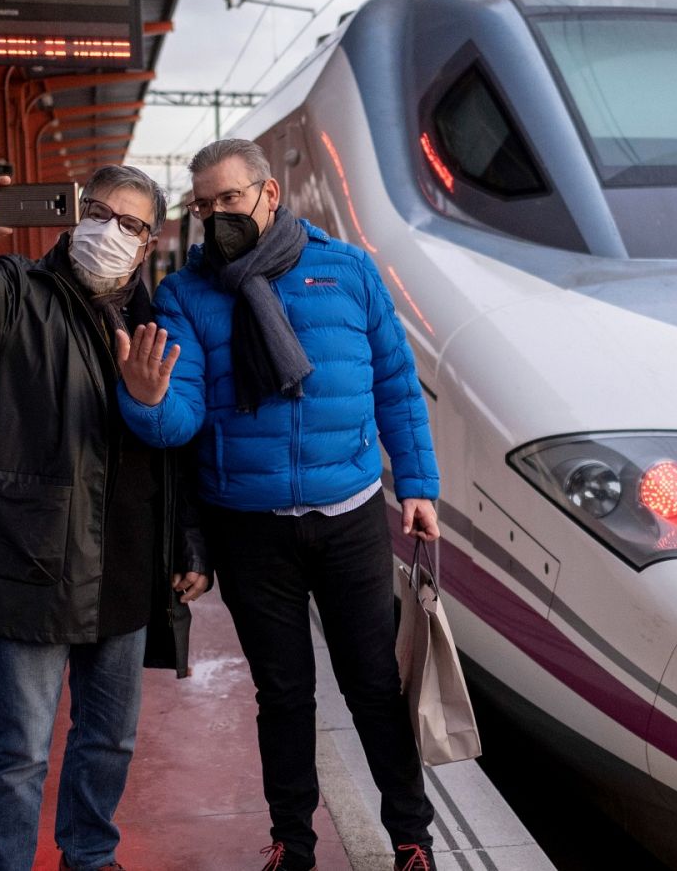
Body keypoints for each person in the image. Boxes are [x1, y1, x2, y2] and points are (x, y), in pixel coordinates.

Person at [116, 139, 442, 871]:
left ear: (268, 194)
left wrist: (417, 485)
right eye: (203, 205)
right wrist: (145, 400)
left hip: (351, 514)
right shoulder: (187, 295)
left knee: (372, 685)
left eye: (228, 200)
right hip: (249, 527)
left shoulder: (348, 271)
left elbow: (395, 383)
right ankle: (293, 841)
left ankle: (412, 837)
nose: (215, 216)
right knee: (284, 693)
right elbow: (181, 422)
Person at [0, 167, 211, 871]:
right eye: (98, 213)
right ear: (74, 218)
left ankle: (91, 854)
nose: (110, 232)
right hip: (36, 561)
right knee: (18, 751)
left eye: (130, 224)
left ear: (148, 243)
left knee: (110, 740)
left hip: (129, 565)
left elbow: (176, 448)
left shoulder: (155, 321)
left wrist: (188, 541)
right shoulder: (16, 293)